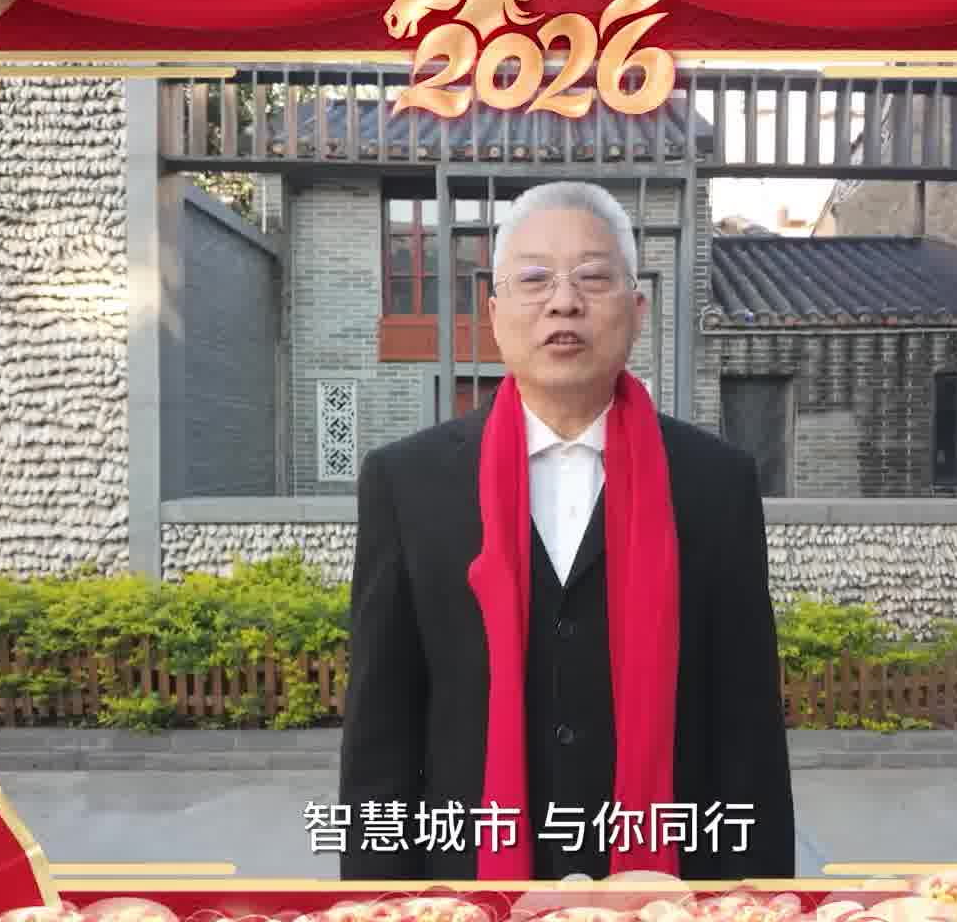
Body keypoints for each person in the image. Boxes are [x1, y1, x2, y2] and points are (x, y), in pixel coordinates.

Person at [337, 180, 795, 881]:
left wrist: (759, 909)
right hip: (465, 894)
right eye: (534, 279)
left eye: (592, 277)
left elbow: (747, 727)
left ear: (636, 310)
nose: (564, 302)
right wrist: (380, 919)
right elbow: (380, 731)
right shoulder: (408, 483)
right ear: (495, 314)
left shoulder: (714, 483)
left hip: (671, 895)